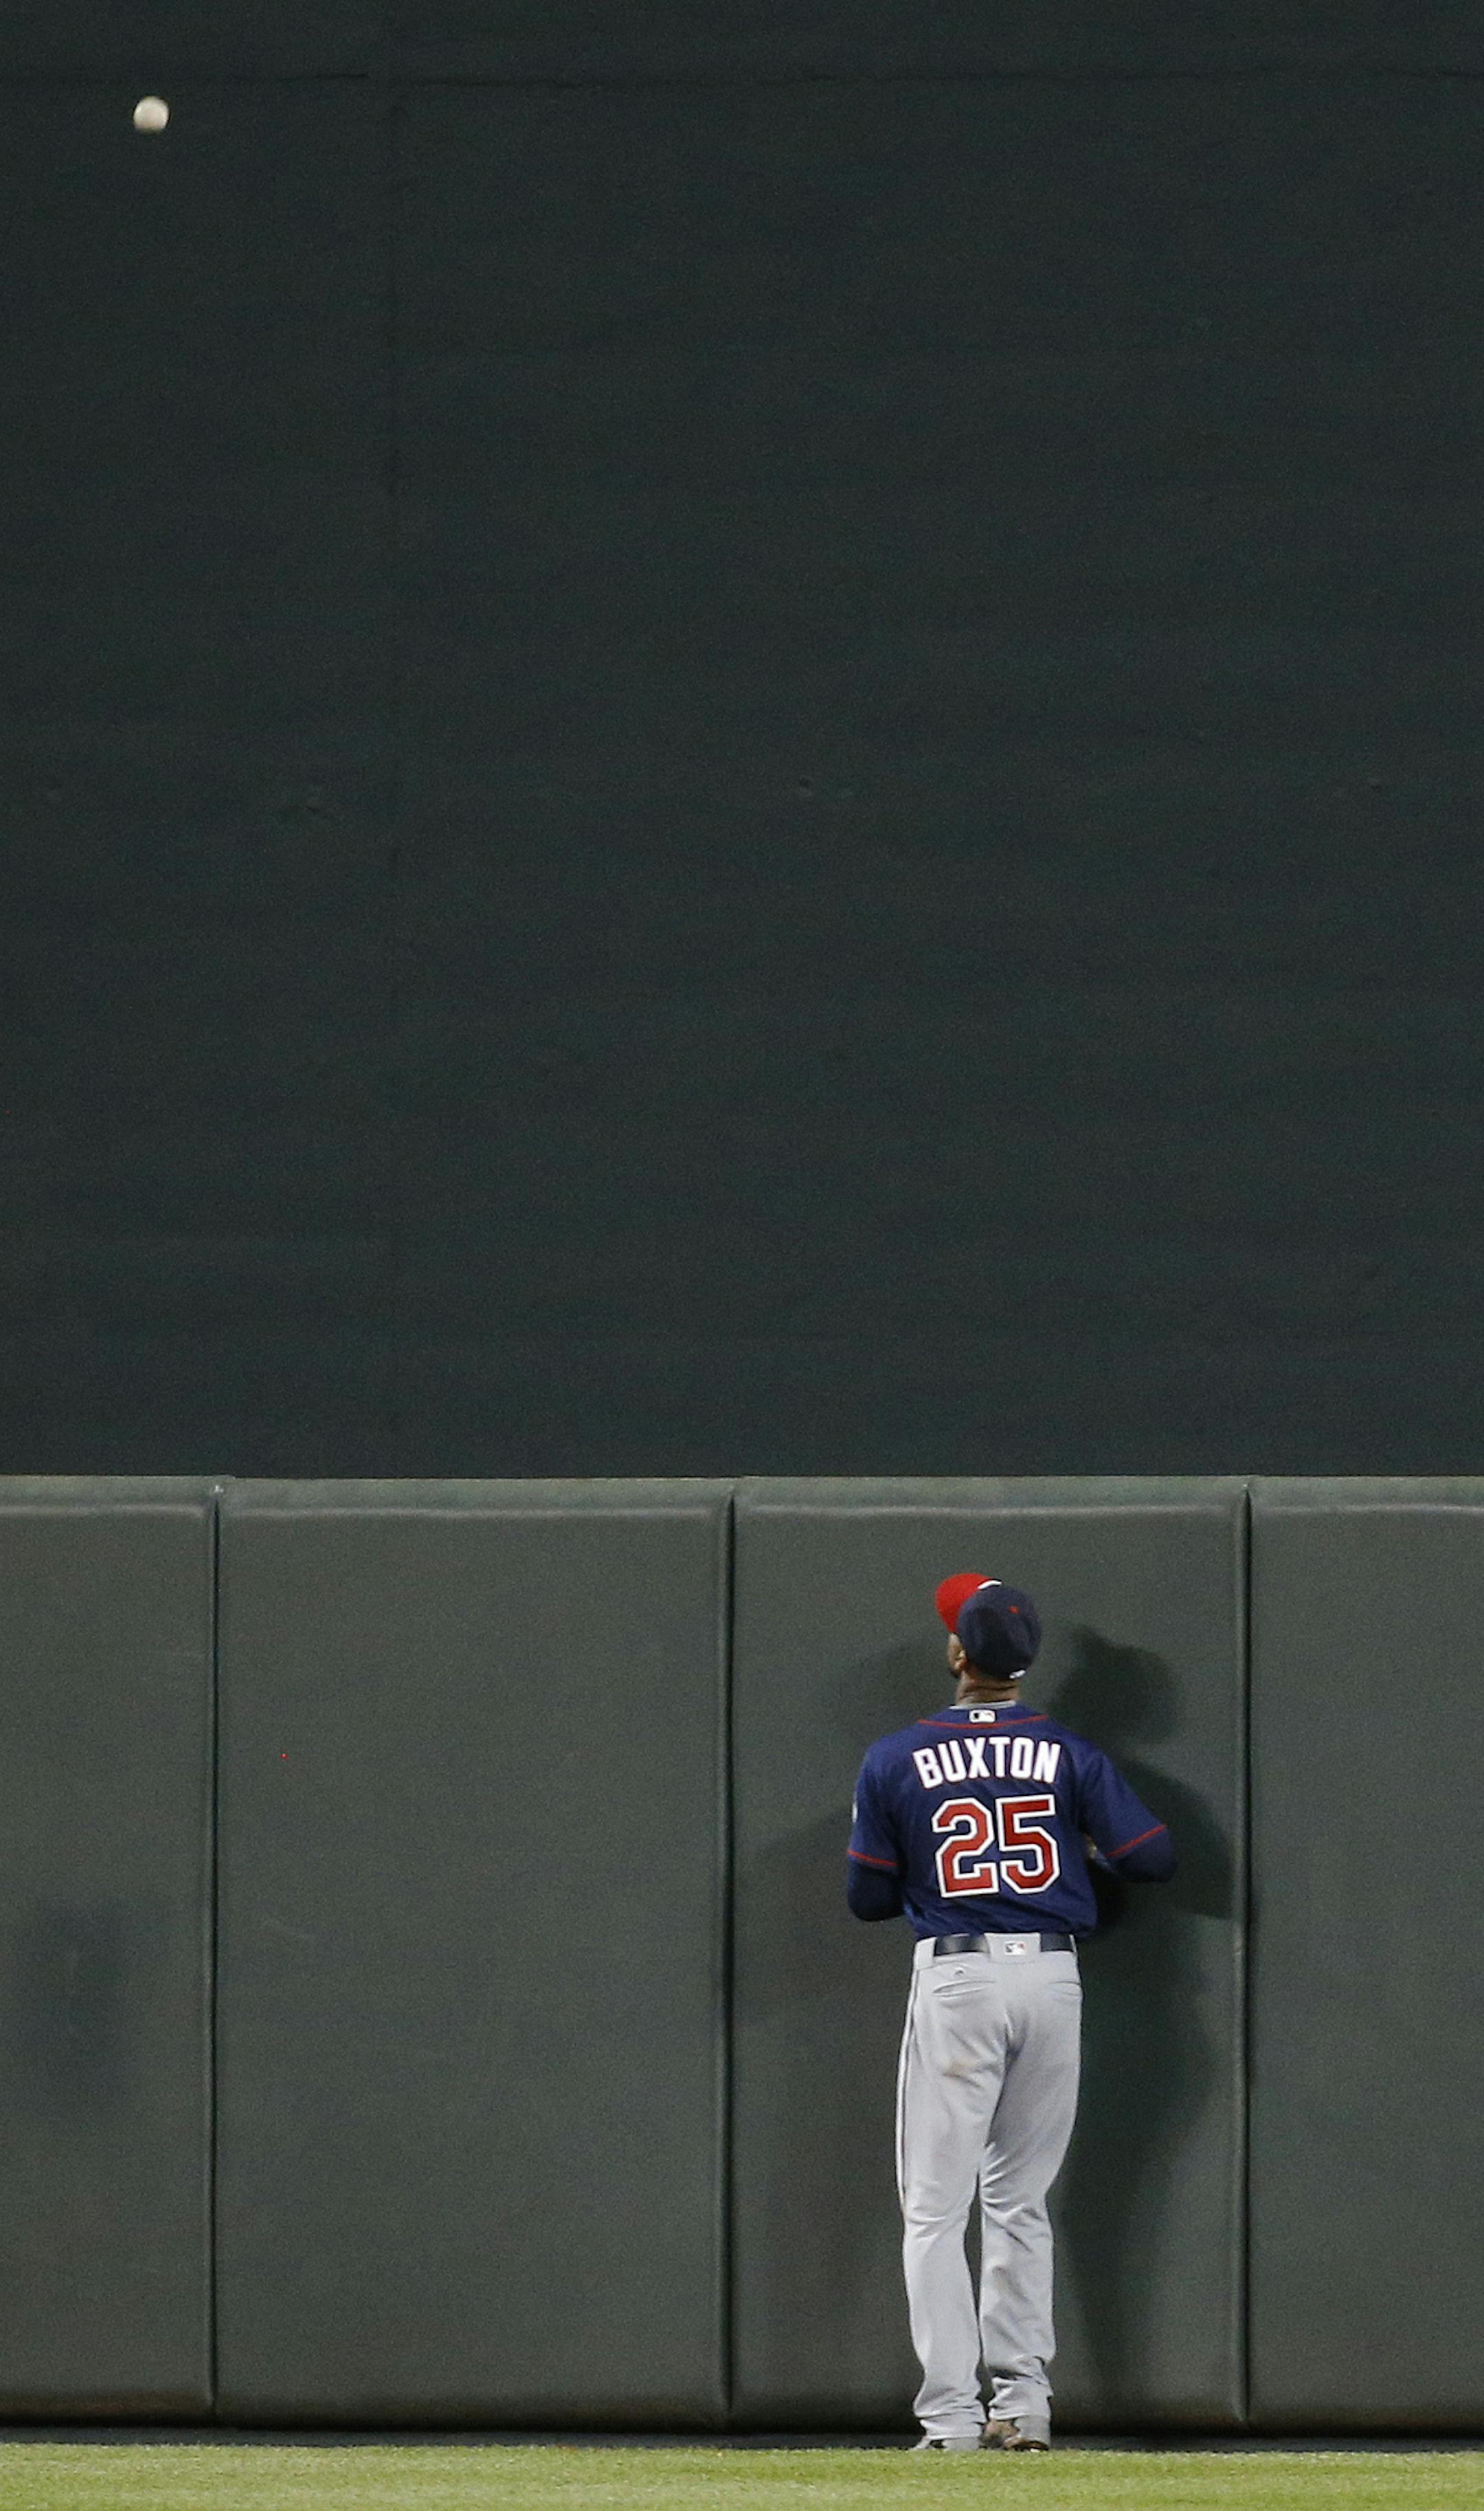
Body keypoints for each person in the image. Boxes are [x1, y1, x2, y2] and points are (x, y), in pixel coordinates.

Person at [847, 1572, 1176, 2453]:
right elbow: (1153, 1856)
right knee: (1020, 2202)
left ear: (958, 1652)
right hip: (1052, 1981)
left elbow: (867, 1898)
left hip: (959, 1979)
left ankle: (951, 2418)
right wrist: (1076, 1866)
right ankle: (1025, 2405)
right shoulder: (1069, 1752)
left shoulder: (895, 1756)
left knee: (933, 2210)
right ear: (1022, 1665)